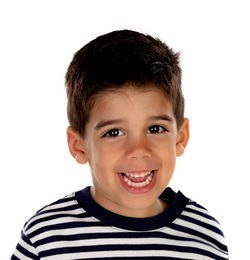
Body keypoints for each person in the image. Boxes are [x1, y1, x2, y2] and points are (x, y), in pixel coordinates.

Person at [11, 29, 228, 260]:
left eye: (155, 129)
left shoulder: (204, 237)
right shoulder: (46, 237)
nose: (138, 150)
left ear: (180, 137)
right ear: (78, 146)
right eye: (113, 132)